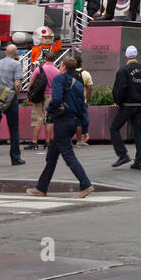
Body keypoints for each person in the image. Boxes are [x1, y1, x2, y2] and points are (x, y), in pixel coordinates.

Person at [25, 57, 94, 199]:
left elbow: (56, 99)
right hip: (74, 122)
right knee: (51, 156)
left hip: (62, 122)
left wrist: (49, 110)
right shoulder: (79, 85)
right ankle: (41, 188)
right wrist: (85, 129)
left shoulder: (59, 80)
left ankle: (86, 184)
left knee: (68, 156)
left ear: (63, 67)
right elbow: (83, 108)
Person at [109, 46, 141, 170]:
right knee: (138, 133)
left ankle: (122, 154)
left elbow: (120, 89)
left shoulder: (123, 71)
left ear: (126, 56)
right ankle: (139, 161)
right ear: (137, 55)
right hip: (140, 106)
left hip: (128, 105)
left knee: (114, 128)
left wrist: (118, 102)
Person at [24, 53, 60, 150]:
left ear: (45, 59)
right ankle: (47, 142)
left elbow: (31, 83)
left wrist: (29, 95)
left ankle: (34, 142)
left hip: (38, 96)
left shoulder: (39, 69)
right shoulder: (57, 71)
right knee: (49, 119)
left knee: (37, 118)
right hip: (51, 96)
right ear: (54, 59)